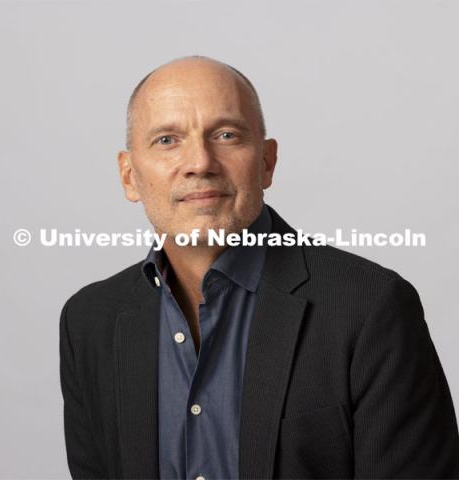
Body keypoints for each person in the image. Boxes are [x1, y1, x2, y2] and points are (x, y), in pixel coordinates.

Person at [59, 55, 459, 479]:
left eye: (227, 135)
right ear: (128, 176)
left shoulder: (369, 307)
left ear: (266, 162)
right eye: (166, 140)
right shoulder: (89, 322)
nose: (200, 162)